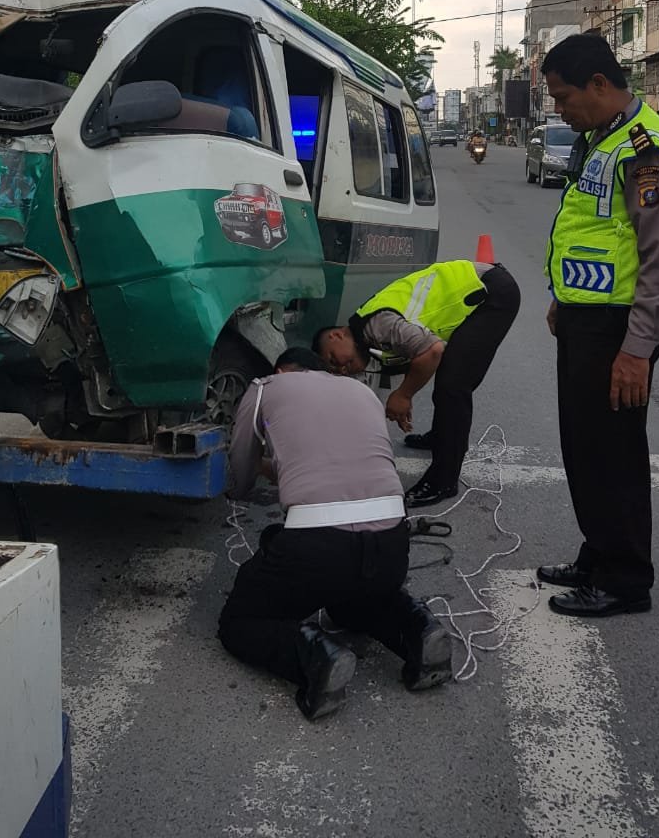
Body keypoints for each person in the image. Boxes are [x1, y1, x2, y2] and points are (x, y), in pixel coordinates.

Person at [538, 33, 659, 618]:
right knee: (583, 445)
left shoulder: (646, 149)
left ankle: (626, 578)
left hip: (621, 331)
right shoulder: (601, 140)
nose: (559, 108)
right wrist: (564, 298)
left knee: (615, 454)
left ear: (599, 85)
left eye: (563, 96)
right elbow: (593, 232)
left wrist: (637, 349)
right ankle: (597, 554)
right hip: (586, 319)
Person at [218, 348, 452, 721]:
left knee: (240, 622)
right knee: (351, 602)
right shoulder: (361, 392)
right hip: (392, 543)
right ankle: (418, 630)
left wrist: (246, 477)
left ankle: (316, 657)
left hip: (316, 549)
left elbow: (241, 474)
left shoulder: (265, 387)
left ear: (281, 370)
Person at [314, 259, 520, 507]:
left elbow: (431, 352)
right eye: (335, 370)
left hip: (491, 293)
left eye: (334, 359)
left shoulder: (377, 325)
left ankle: (443, 480)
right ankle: (442, 436)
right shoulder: (366, 339)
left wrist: (404, 395)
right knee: (448, 374)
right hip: (479, 290)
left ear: (337, 335)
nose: (341, 368)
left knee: (453, 386)